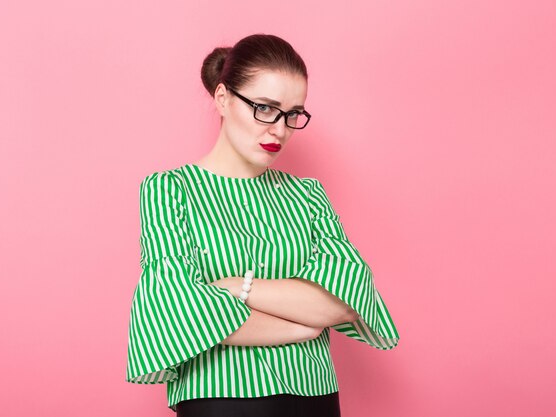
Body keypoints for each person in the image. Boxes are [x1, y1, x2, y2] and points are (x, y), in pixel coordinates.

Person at [125, 33, 400, 417]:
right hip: (219, 399)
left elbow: (346, 298)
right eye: (265, 108)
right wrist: (298, 327)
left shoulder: (308, 195)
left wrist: (238, 289)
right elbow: (173, 314)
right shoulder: (170, 190)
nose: (279, 129)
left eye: (292, 114)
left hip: (315, 396)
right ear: (223, 98)